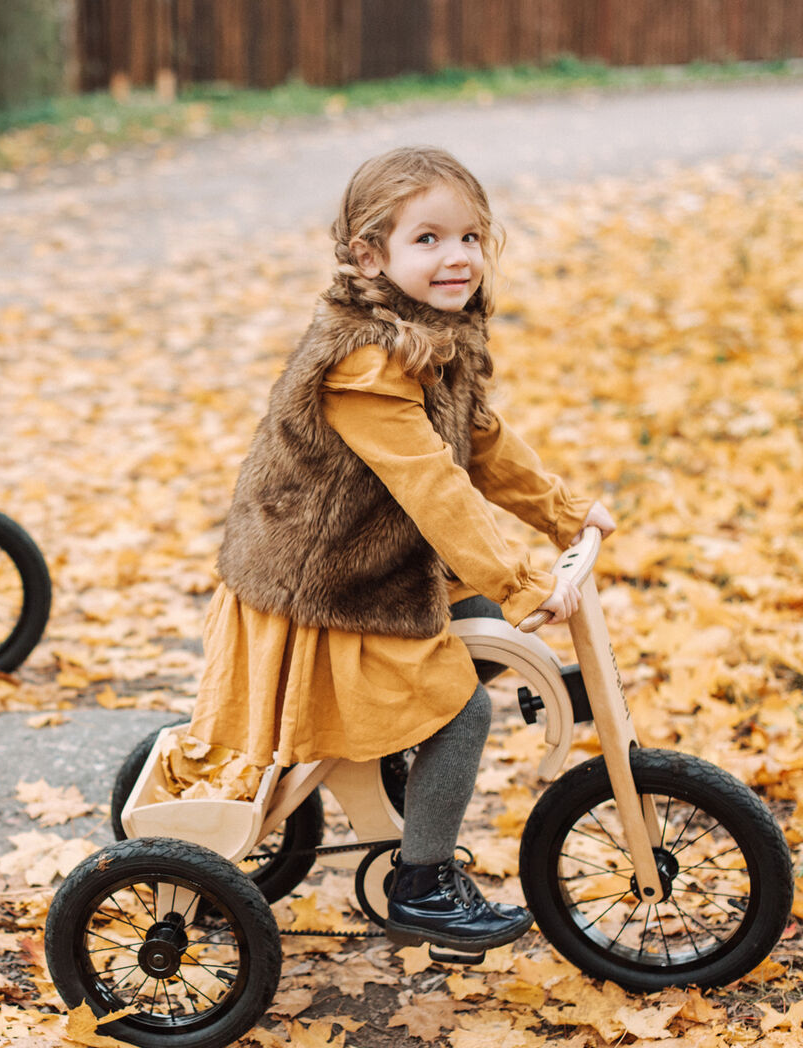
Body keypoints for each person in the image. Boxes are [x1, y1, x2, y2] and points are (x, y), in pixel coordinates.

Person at [186, 146, 615, 953]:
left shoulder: (429, 332)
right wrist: (525, 579)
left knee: (484, 625)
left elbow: (480, 442)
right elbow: (433, 486)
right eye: (428, 239)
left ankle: (388, 764)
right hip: (327, 592)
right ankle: (422, 881)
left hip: (373, 567)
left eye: (469, 237)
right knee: (463, 710)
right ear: (369, 256)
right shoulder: (366, 362)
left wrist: (563, 511)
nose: (456, 257)